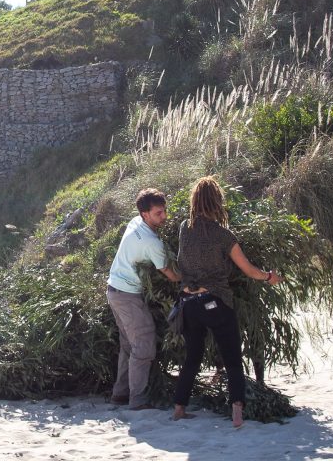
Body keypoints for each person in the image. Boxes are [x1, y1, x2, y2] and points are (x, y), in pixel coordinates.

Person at [171, 177, 284, 428]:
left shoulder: (183, 228)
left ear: (194, 201)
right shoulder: (223, 235)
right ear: (217, 202)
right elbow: (248, 269)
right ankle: (237, 413)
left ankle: (179, 408)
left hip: (188, 303)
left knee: (192, 357)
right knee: (232, 357)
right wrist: (269, 277)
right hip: (215, 301)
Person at [106, 188, 179, 410]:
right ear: (145, 214)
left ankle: (120, 394)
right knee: (144, 344)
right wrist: (191, 278)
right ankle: (137, 400)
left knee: (129, 345)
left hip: (114, 290)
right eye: (158, 213)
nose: (164, 216)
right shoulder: (151, 243)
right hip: (127, 295)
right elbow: (171, 274)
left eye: (164, 210)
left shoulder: (134, 222)